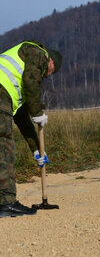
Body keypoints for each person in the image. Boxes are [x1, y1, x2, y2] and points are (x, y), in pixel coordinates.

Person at [0, 40, 62, 217]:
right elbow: (31, 81)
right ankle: (6, 203)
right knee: (3, 147)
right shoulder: (38, 53)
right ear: (51, 61)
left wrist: (36, 149)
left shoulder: (19, 70)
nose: (48, 76)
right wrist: (37, 112)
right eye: (51, 71)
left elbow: (22, 119)